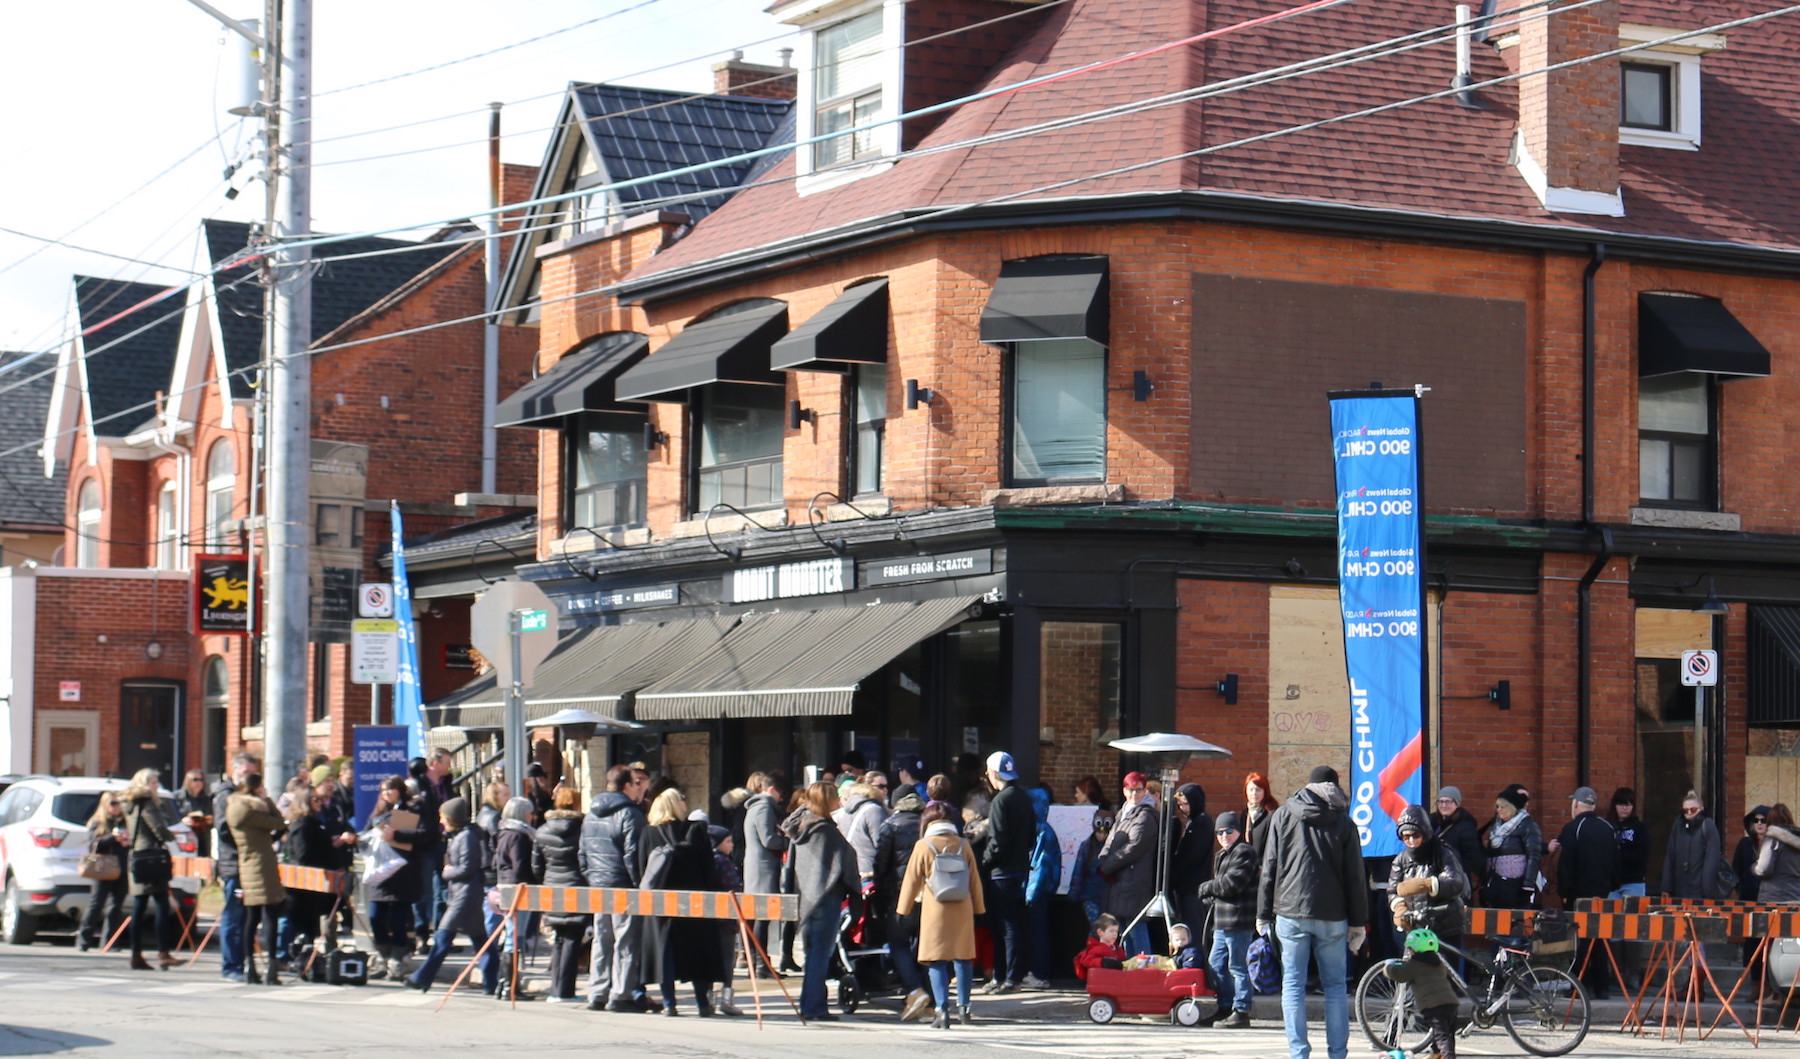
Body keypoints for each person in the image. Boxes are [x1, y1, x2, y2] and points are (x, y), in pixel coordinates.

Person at [1258, 764, 1368, 1059]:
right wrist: (1358, 923)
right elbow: (1355, 877)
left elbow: (1270, 866)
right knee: (1335, 987)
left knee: (1293, 985)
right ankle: (1337, 1054)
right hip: (1333, 915)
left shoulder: (1283, 814)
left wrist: (1262, 912)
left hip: (1291, 911)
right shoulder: (1344, 822)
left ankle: (1299, 1054)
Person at [640, 788, 730, 1016]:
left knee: (665, 953)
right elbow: (709, 869)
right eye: (682, 799)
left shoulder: (649, 833)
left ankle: (669, 1004)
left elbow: (639, 867)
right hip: (695, 900)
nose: (685, 803)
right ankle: (702, 1004)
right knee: (697, 952)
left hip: (659, 902)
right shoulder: (696, 831)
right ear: (676, 804)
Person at [898, 800, 987, 1029]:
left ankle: (942, 1010)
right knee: (963, 958)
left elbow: (911, 880)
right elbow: (974, 880)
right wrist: (979, 908)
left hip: (934, 908)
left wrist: (903, 910)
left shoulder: (923, 845)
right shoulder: (963, 844)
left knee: (935, 959)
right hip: (962, 907)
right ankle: (964, 1009)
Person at [781, 780, 859, 1022]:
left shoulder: (800, 827)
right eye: (834, 795)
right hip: (826, 897)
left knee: (811, 952)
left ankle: (810, 1004)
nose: (838, 800)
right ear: (828, 800)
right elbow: (847, 858)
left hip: (805, 897)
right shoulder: (825, 830)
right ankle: (814, 1006)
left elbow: (791, 866)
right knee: (820, 953)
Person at [407, 797, 500, 995]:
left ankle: (422, 977)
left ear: (452, 818)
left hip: (465, 895)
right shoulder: (459, 835)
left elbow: (468, 867)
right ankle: (492, 981)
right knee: (480, 940)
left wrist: (446, 872)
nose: (441, 821)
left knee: (443, 935)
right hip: (463, 893)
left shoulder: (466, 837)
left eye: (443, 817)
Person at [580, 764, 654, 1012]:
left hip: (599, 884)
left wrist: (592, 877)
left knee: (602, 940)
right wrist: (637, 884)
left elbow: (582, 853)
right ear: (626, 785)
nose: (638, 788)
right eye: (636, 783)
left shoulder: (591, 813)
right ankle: (621, 994)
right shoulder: (630, 813)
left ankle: (597, 992)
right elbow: (633, 855)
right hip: (622, 884)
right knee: (626, 941)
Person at [1548, 787, 1618, 997]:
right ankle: (1602, 987)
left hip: (1578, 894)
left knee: (1578, 942)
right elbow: (1616, 861)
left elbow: (1566, 865)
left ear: (1576, 804)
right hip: (1602, 895)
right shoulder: (1608, 828)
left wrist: (1564, 891)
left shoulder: (1573, 828)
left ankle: (1579, 987)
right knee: (1600, 939)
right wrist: (1611, 885)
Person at [873, 779, 929, 1020]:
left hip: (901, 895)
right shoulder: (928, 822)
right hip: (930, 895)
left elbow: (880, 865)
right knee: (925, 946)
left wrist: (880, 890)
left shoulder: (890, 825)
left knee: (898, 943)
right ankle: (929, 996)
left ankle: (914, 990)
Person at [226, 772, 287, 985]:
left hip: (246, 864)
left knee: (251, 917)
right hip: (264, 864)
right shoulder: (255, 811)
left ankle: (249, 965)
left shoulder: (234, 808)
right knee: (270, 914)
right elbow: (280, 823)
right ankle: (271, 967)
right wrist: (267, 800)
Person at [1199, 809, 1258, 1028]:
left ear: (1238, 831)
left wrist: (1207, 888)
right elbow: (1222, 888)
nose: (1224, 836)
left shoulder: (1244, 852)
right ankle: (1224, 1006)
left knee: (1237, 966)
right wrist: (1211, 895)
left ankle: (1241, 1010)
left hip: (1239, 920)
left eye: (1229, 831)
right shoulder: (1223, 854)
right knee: (1215, 964)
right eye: (1220, 832)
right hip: (1222, 921)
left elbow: (1231, 884)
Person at [980, 750, 1033, 995]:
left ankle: (1006, 977)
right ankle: (1008, 976)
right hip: (1019, 869)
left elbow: (997, 840)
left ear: (993, 773)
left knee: (1003, 928)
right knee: (1014, 926)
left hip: (1001, 872)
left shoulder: (1001, 800)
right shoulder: (1023, 797)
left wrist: (984, 862)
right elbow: (1031, 836)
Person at [366, 775, 426, 982]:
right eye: (383, 790)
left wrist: (397, 835)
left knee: (399, 921)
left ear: (400, 790)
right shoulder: (378, 813)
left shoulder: (411, 810)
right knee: (376, 917)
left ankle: (397, 961)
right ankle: (383, 956)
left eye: (390, 789)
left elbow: (423, 835)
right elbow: (366, 832)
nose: (386, 794)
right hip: (380, 872)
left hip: (402, 874)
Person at [531, 786, 588, 1003]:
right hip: (577, 887)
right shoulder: (582, 829)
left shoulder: (542, 831)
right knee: (573, 938)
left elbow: (537, 866)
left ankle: (555, 989)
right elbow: (585, 861)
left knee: (558, 939)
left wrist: (546, 881)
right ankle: (566, 991)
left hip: (552, 888)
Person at [286, 781, 357, 949]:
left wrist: (334, 842)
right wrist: (325, 855)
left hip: (317, 882)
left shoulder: (314, 821)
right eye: (315, 799)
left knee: (316, 921)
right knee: (304, 927)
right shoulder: (303, 824)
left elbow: (319, 843)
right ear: (305, 801)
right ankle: (301, 954)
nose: (320, 802)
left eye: (320, 799)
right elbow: (303, 854)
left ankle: (318, 949)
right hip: (306, 883)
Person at [122, 768, 178, 972]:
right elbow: (158, 829)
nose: (156, 786)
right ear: (144, 784)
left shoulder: (129, 803)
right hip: (151, 857)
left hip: (137, 856)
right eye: (153, 783)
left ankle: (136, 954)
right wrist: (173, 834)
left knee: (139, 907)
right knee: (161, 905)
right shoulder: (146, 802)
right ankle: (163, 953)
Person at [1099, 771, 1159, 956]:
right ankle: (1130, 967)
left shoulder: (1145, 815)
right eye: (1130, 790)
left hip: (1134, 879)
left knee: (1136, 926)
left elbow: (1134, 847)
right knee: (1125, 929)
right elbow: (1110, 840)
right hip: (1121, 879)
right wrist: (1102, 859)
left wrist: (1107, 866)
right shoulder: (1124, 812)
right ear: (1124, 790)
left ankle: (1142, 968)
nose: (1134, 794)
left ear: (1145, 791)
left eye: (1138, 790)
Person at [213, 751, 259, 981]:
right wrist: (247, 838)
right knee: (233, 915)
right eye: (246, 772)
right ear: (236, 770)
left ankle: (242, 963)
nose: (249, 776)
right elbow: (224, 830)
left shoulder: (248, 794)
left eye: (253, 773)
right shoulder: (226, 795)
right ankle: (231, 966)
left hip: (249, 862)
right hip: (233, 863)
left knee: (246, 918)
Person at [1384, 929, 1460, 1059]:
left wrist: (1388, 967)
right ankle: (1436, 1054)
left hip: (1434, 1006)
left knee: (1441, 1036)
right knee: (1448, 1033)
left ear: (1413, 950)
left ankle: (1448, 1056)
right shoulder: (1439, 963)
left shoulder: (1414, 965)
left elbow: (1399, 975)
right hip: (1451, 1003)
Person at [491, 796, 539, 1000]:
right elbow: (520, 865)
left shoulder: (503, 833)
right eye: (529, 813)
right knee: (514, 938)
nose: (532, 817)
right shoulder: (518, 836)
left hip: (505, 885)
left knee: (512, 936)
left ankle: (504, 985)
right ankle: (510, 986)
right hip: (518, 889)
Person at [740, 772, 789, 960]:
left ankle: (756, 959)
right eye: (780, 794)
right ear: (772, 789)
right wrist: (789, 842)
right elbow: (768, 840)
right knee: (762, 914)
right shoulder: (764, 808)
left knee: (758, 914)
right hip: (763, 868)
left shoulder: (755, 807)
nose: (781, 799)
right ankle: (760, 961)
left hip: (757, 867)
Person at [77, 793, 129, 952]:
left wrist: (126, 841)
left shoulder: (125, 821)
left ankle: (109, 942)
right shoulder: (98, 822)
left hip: (121, 867)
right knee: (96, 904)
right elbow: (93, 845)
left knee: (116, 906)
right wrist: (112, 838)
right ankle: (83, 941)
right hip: (102, 867)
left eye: (119, 803)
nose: (117, 807)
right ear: (105, 805)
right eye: (113, 803)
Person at [1023, 785, 1061, 989]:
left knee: (1037, 933)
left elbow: (1040, 866)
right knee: (1037, 932)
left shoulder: (1040, 831)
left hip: (1036, 890)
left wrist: (1031, 892)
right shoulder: (1046, 829)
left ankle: (1039, 974)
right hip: (1041, 889)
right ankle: (1036, 972)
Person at [1481, 784, 1542, 910]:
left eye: (1503, 807)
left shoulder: (1527, 825)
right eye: (1497, 807)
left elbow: (1534, 855)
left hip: (1516, 884)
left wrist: (1528, 886)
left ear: (1511, 808)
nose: (1499, 810)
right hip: (1497, 882)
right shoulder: (1495, 827)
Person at [707, 826, 747, 1016]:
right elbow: (732, 886)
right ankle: (726, 999)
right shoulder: (723, 862)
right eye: (728, 841)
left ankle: (708, 998)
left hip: (709, 920)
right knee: (727, 961)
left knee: (710, 961)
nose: (732, 845)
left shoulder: (705, 860)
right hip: (725, 919)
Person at [1661, 789, 1723, 898]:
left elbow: (1712, 859)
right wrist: (1666, 887)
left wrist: (1707, 890)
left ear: (1701, 808)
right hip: (1680, 887)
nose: (1689, 813)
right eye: (1686, 810)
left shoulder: (1707, 825)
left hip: (1700, 888)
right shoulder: (1678, 826)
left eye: (1693, 810)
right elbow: (1670, 855)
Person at [1172, 783, 1215, 938]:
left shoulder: (1202, 821)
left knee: (1194, 927)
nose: (1183, 808)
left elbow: (1194, 854)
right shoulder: (1193, 820)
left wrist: (1177, 864)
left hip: (1194, 885)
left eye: (1186, 804)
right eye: (1180, 805)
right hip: (1187, 885)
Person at [1429, 786, 1484, 891]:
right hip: (1433, 877)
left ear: (1457, 804)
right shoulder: (1431, 822)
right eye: (1441, 801)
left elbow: (1472, 858)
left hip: (1455, 881)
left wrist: (1453, 869)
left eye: (1448, 802)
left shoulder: (1466, 826)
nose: (1444, 805)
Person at [1071, 808, 1115, 923]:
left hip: (1109, 897)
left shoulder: (1114, 847)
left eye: (1105, 833)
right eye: (1099, 832)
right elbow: (1078, 871)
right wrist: (1074, 892)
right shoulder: (1086, 846)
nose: (1102, 836)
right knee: (1096, 925)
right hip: (1090, 896)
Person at [1610, 788, 1650, 898]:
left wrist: (1619, 853)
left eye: (1628, 804)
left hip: (1634, 881)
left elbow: (1642, 855)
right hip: (1611, 883)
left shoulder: (1640, 828)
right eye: (1621, 804)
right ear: (1615, 805)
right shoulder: (1608, 826)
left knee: (1633, 910)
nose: (1624, 808)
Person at [1756, 803, 1800, 901]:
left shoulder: (1772, 839)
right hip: (1797, 896)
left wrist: (1754, 869)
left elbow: (1763, 869)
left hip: (1774, 896)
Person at [171, 770, 213, 858]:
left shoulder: (206, 799)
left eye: (201, 780)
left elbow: (211, 816)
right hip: (183, 837)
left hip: (201, 837)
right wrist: (182, 820)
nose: (199, 783)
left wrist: (208, 820)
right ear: (188, 781)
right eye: (195, 779)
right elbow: (170, 815)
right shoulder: (177, 797)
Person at [1074, 912, 1126, 979]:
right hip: (1100, 980)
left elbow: (1123, 960)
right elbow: (1087, 961)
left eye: (1116, 931)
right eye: (1111, 931)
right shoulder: (1096, 949)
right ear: (1100, 932)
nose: (1115, 934)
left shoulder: (1118, 949)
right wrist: (1102, 962)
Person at [1245, 772, 1279, 856]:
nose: (1254, 793)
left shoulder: (1272, 814)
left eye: (1258, 790)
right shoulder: (1245, 814)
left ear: (1265, 791)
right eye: (1251, 790)